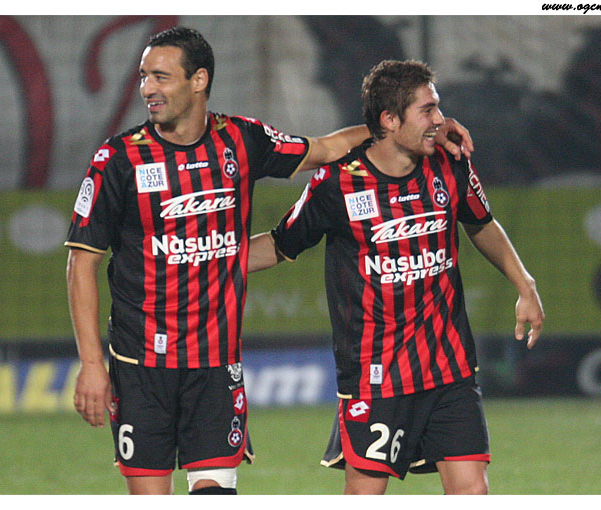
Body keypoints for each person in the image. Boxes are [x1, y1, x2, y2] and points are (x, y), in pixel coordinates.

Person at [65, 26, 473, 495]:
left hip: (216, 365)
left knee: (217, 491)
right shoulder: (118, 159)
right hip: (140, 365)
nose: (147, 89)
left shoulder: (241, 139)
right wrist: (92, 363)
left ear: (199, 80)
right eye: (143, 77)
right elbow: (81, 264)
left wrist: (423, 128)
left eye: (160, 76)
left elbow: (324, 148)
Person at [248, 59, 544, 495]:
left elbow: (481, 223)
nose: (440, 120)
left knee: (472, 490)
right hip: (377, 374)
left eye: (437, 107)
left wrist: (525, 284)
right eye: (427, 110)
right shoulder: (337, 184)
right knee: (365, 494)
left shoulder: (450, 164)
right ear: (389, 120)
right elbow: (280, 244)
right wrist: (205, 261)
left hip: (449, 365)